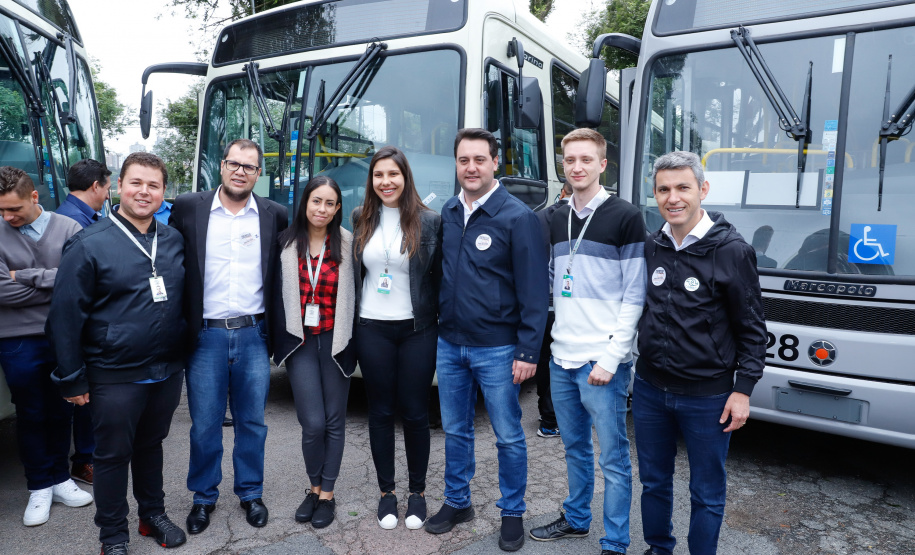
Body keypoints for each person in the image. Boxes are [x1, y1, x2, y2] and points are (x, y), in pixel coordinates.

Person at [47, 153, 188, 554]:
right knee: (111, 456)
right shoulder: (88, 244)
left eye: (154, 185)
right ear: (117, 187)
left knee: (151, 445)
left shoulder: (173, 240)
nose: (144, 192)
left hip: (164, 370)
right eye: (136, 183)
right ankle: (113, 535)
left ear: (164, 193)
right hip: (113, 373)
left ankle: (152, 515)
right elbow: (64, 317)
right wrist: (72, 377)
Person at [634, 151, 766, 555]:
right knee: (654, 481)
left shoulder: (732, 250)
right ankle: (658, 548)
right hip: (650, 389)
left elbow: (753, 328)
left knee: (706, 489)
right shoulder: (652, 244)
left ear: (702, 190)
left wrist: (742, 390)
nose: (673, 198)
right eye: (663, 189)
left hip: (708, 397)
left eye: (682, 188)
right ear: (655, 194)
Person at [424, 128, 547, 552]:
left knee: (508, 436)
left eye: (479, 159)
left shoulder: (518, 217)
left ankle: (512, 511)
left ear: (496, 163)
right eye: (463, 161)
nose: (471, 168)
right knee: (456, 432)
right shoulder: (450, 211)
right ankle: (458, 502)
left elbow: (535, 292)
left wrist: (529, 350)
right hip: (451, 344)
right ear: (456, 166)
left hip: (498, 348)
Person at [528, 129, 646, 555]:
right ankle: (577, 519)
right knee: (575, 448)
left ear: (602, 164)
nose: (577, 167)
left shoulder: (625, 216)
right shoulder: (556, 216)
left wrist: (612, 358)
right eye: (569, 160)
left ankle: (615, 541)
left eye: (585, 159)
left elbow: (635, 294)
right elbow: (551, 282)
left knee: (613, 459)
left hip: (602, 362)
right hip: (562, 358)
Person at [169, 139, 288, 533]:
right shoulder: (189, 207)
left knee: (252, 421)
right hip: (205, 336)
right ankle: (203, 498)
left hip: (254, 334)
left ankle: (250, 493)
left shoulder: (274, 215)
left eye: (249, 167)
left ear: (259, 174)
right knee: (204, 423)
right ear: (221, 166)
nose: (240, 171)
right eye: (234, 163)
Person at [351, 146, 442, 530]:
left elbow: (438, 278)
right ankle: (387, 493)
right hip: (372, 327)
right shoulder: (360, 218)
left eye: (393, 174)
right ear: (371, 181)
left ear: (405, 178)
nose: (386, 182)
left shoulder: (430, 221)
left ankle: (417, 493)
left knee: (416, 412)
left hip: (417, 329)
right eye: (378, 175)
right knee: (380, 411)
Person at [0, 166, 92, 527]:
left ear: (34, 197)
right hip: (16, 340)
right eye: (2, 211)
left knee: (61, 409)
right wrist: (56, 283)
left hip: (65, 334)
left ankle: (60, 479)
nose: (8, 217)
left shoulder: (69, 228)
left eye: (14, 210)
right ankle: (39, 485)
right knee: (31, 412)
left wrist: (22, 275)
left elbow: (83, 278)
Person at [270, 176, 356, 529]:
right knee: (313, 423)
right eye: (316, 201)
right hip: (301, 341)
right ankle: (313, 485)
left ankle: (327, 494)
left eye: (329, 203)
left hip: (336, 342)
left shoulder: (350, 244)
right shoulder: (285, 243)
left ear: (338, 208)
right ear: (305, 203)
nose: (322, 209)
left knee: (335, 421)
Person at [56, 158, 113, 485]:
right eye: (107, 188)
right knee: (81, 399)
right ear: (96, 186)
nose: (107, 195)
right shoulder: (76, 226)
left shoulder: (72, 216)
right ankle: (84, 460)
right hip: (81, 327)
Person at [533, 181, 572, 439]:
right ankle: (552, 419)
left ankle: (546, 417)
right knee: (560, 361)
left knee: (544, 358)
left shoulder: (538, 217)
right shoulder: (584, 219)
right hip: (567, 304)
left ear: (561, 192)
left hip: (539, 303)